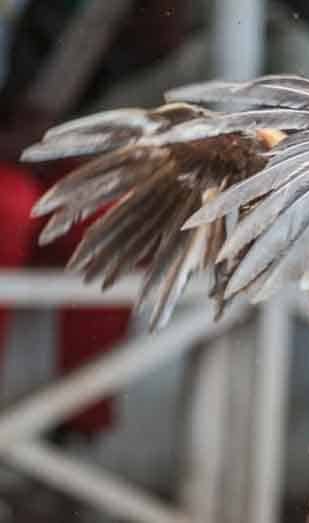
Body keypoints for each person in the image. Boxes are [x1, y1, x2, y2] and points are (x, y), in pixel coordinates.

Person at [0, 0, 190, 442]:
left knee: (114, 213)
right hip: (24, 156)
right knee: (6, 210)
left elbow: (42, 116)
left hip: (41, 144)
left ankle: (79, 426)